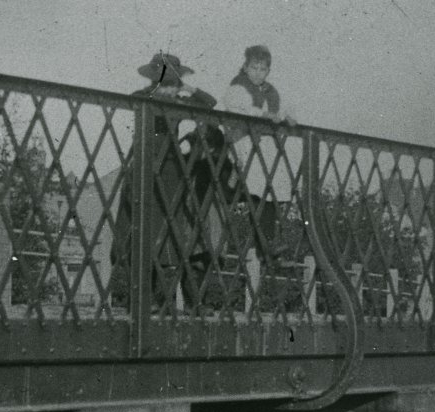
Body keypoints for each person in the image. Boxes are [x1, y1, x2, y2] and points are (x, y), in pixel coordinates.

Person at [110, 52, 217, 312]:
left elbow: (209, 102)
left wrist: (186, 88)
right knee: (143, 228)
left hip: (171, 169)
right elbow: (135, 101)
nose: (167, 80)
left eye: (172, 76)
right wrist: (161, 94)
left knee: (169, 230)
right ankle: (139, 298)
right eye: (164, 75)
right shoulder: (144, 94)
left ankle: (163, 298)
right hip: (146, 164)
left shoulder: (180, 98)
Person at [221, 45, 296, 249]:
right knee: (258, 186)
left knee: (270, 187)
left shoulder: (270, 91)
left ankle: (268, 240)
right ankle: (265, 240)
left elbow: (282, 109)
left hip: (264, 144)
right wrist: (264, 115)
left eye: (263, 69)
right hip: (244, 139)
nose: (258, 73)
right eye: (254, 68)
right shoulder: (238, 86)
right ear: (245, 67)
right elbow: (238, 107)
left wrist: (286, 116)